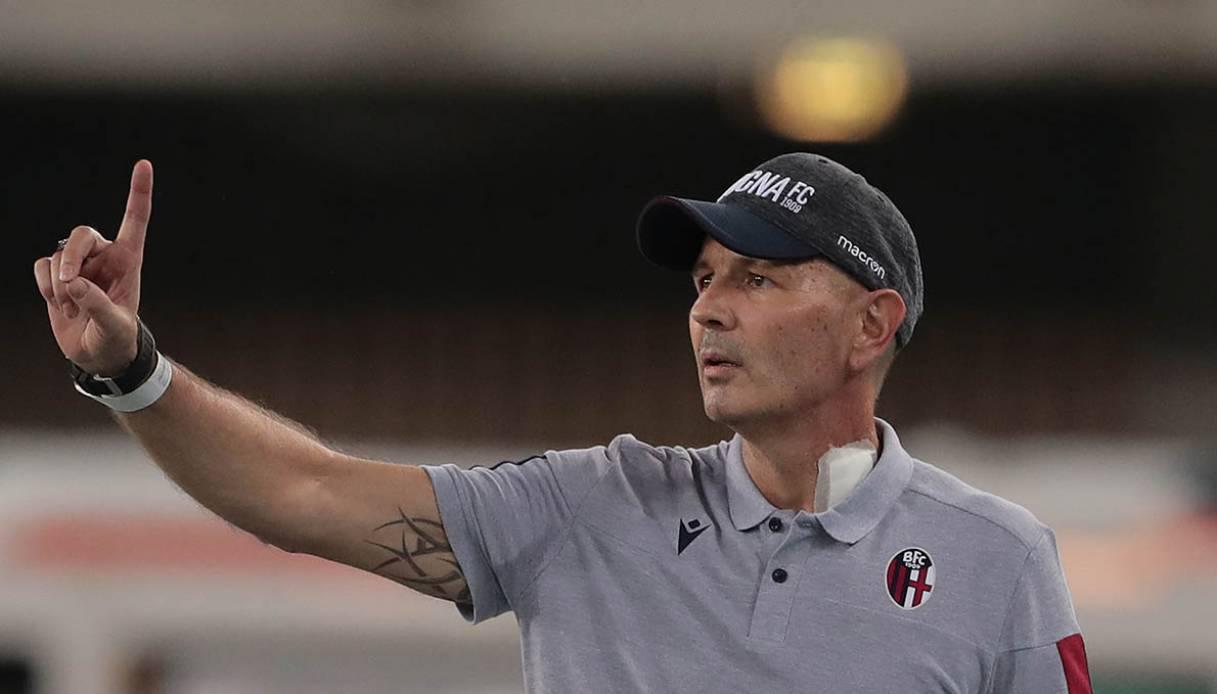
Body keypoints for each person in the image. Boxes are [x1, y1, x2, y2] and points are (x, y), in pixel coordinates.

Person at [34, 153, 1093, 693]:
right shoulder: (590, 507)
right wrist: (131, 370)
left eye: (759, 278)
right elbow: (303, 490)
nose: (708, 308)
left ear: (871, 325)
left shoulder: (996, 560)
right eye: (704, 278)